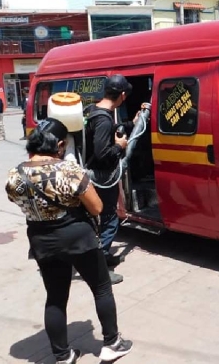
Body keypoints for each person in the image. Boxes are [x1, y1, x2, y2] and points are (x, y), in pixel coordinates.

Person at [4, 118, 133, 364]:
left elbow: (18, 202)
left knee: (55, 297)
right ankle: (112, 344)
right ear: (60, 145)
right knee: (101, 288)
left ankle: (63, 356)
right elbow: (96, 208)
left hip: (42, 241)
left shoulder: (15, 175)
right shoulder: (69, 171)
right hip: (78, 238)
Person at [83, 74, 138, 284]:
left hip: (93, 174)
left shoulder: (93, 110)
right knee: (109, 220)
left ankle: (104, 257)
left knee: (101, 218)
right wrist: (120, 147)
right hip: (102, 176)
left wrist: (129, 124)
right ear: (122, 95)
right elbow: (102, 153)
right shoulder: (104, 119)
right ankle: (99, 268)